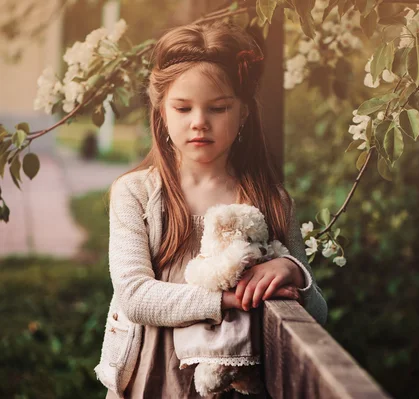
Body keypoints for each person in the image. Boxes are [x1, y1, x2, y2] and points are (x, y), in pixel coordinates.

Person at [95, 20, 328, 398]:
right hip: (153, 378)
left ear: (244, 113)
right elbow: (135, 295)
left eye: (218, 108)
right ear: (161, 110)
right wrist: (223, 300)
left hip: (237, 386)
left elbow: (316, 313)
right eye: (183, 108)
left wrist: (293, 271)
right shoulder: (135, 194)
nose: (199, 122)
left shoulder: (271, 201)